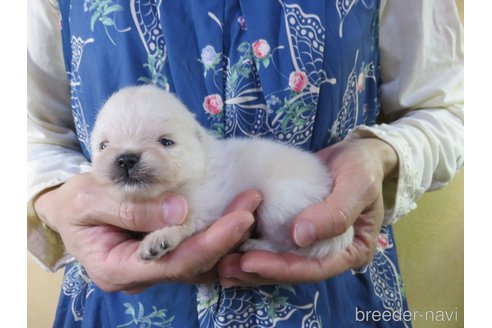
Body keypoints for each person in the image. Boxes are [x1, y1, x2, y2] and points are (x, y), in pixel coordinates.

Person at [27, 0, 463, 327]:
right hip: (120, 301)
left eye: (162, 140)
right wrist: (54, 202)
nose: (126, 158)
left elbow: (452, 107)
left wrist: (378, 155)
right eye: (108, 147)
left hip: (333, 291)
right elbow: (24, 134)